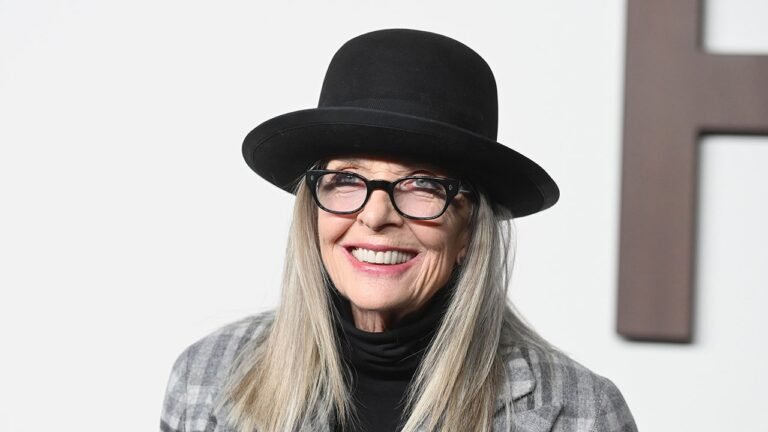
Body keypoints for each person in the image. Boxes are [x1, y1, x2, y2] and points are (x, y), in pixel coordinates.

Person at [160, 29, 638, 432]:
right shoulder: (206, 377)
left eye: (422, 185)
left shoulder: (580, 414)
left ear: (470, 227)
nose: (375, 216)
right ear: (312, 210)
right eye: (347, 180)